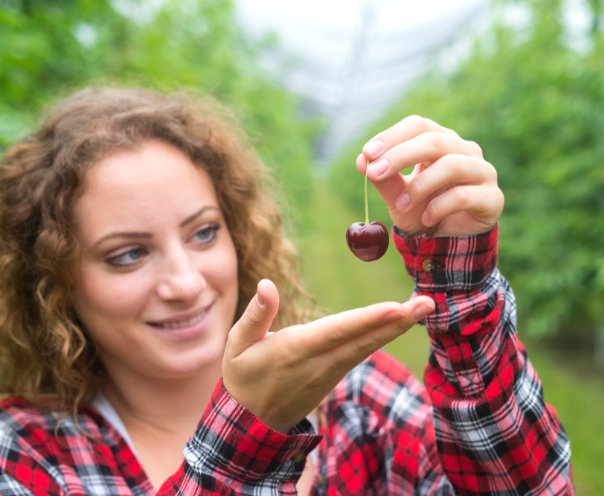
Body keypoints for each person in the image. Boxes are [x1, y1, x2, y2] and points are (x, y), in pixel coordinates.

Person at [0, 86, 573, 495]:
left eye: (203, 232)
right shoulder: (28, 457)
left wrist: (462, 284)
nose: (185, 282)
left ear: (238, 236)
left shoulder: (356, 406)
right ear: (54, 281)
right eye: (127, 254)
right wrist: (248, 437)